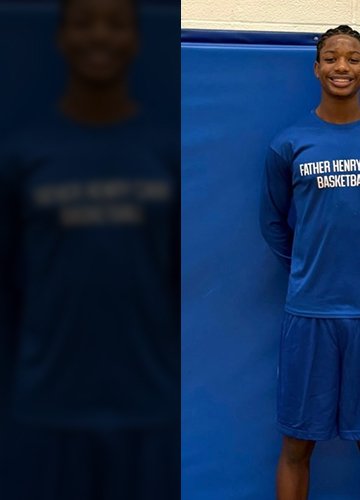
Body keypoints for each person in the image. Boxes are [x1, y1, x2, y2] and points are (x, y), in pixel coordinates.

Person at [0, 0, 180, 498]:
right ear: (61, 38)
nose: (99, 36)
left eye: (115, 24)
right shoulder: (23, 152)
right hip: (47, 408)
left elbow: (180, 280)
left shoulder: (166, 150)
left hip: (149, 407)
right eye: (83, 23)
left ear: (136, 40)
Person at [259, 25, 360, 500]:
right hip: (309, 315)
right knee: (296, 445)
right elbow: (272, 223)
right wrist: (309, 269)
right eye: (331, 58)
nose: (340, 67)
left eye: (351, 58)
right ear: (317, 67)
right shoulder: (289, 143)